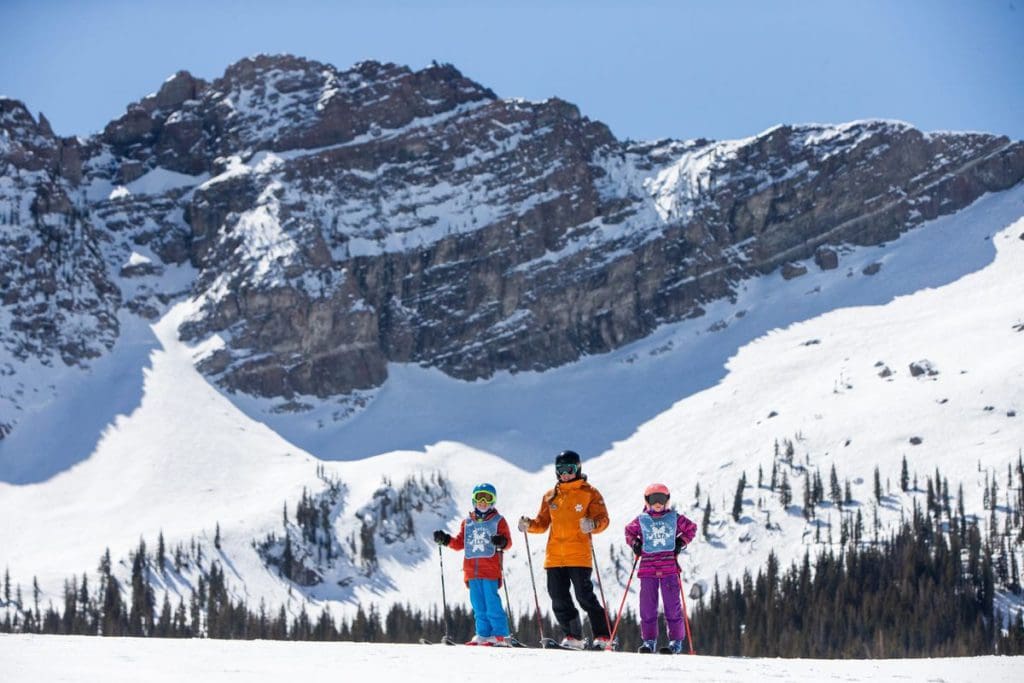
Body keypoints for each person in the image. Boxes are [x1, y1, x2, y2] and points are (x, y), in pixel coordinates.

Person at [518, 450, 612, 649]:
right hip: (555, 557)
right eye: (560, 470)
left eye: (569, 469)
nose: (565, 474)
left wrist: (593, 525)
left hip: (578, 555)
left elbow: (603, 520)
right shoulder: (550, 496)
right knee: (558, 598)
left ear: (578, 469)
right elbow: (542, 523)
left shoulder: (589, 493)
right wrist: (529, 525)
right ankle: (573, 637)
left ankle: (603, 636)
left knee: (584, 597)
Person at [434, 482, 513, 646]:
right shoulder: (467, 522)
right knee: (478, 605)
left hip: (490, 569)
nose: (482, 501)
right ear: (473, 500)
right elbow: (458, 543)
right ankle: (483, 634)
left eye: (487, 498)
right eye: (479, 497)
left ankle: (499, 634)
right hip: (471, 571)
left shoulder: (498, 521)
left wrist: (501, 541)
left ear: (493, 501)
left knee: (492, 603)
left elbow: (508, 543)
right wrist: (446, 539)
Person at [623, 483, 697, 654]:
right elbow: (629, 531)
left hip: (669, 569)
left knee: (673, 606)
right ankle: (649, 641)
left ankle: (676, 642)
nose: (657, 503)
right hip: (648, 569)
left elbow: (691, 528)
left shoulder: (674, 518)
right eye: (653, 499)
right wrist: (635, 543)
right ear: (647, 501)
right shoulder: (642, 519)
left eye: (661, 499)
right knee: (647, 607)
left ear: (667, 500)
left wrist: (680, 542)